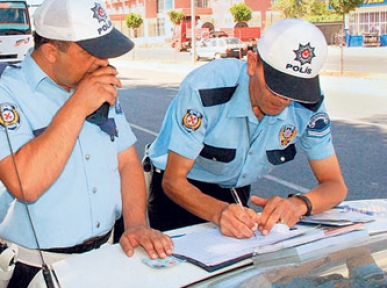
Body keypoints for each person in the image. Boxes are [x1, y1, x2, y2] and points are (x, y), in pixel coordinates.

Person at [0, 0, 173, 287]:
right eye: (92, 52)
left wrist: (136, 225)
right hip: (36, 268)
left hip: (106, 255)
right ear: (51, 52)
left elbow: (127, 161)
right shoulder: (9, 93)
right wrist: (78, 105)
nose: (103, 62)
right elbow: (25, 184)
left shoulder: (95, 83)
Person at [146, 18, 348, 239]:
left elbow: (335, 185)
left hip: (235, 190)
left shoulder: (307, 105)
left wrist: (299, 204)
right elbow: (173, 181)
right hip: (180, 192)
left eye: (294, 91)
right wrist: (219, 212)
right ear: (252, 63)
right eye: (276, 87)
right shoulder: (206, 89)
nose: (283, 100)